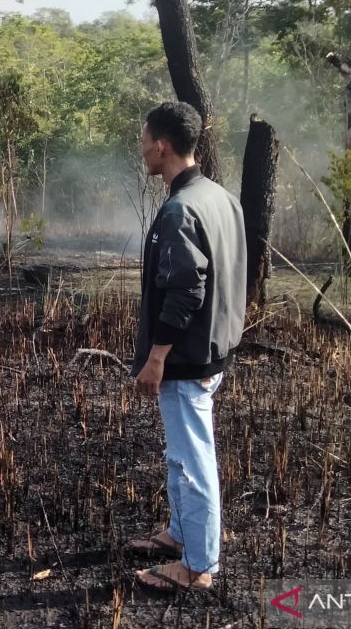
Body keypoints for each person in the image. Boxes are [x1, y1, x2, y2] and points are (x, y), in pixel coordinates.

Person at [128, 102, 246, 592]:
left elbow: (186, 290)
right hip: (210, 349)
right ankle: (180, 534)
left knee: (193, 457)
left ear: (162, 145)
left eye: (144, 140)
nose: (141, 149)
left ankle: (198, 565)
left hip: (185, 356)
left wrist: (157, 356)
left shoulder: (180, 208)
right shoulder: (219, 195)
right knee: (180, 451)